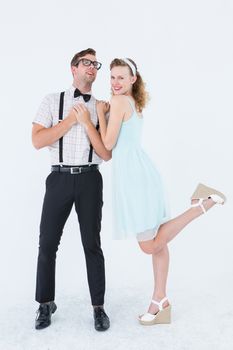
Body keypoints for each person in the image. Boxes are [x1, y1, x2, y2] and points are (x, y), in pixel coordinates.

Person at [73, 57, 226, 326]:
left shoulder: (120, 102)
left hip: (135, 179)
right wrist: (104, 113)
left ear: (133, 79)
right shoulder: (129, 102)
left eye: (121, 77)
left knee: (150, 245)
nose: (116, 82)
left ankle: (201, 204)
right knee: (159, 245)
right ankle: (160, 302)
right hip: (141, 173)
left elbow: (106, 147)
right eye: (112, 77)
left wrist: (93, 117)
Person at [32, 48, 111, 331]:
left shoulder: (102, 107)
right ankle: (45, 303)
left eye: (95, 64)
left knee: (92, 244)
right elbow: (38, 141)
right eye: (86, 63)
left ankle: (98, 307)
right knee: (48, 243)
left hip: (91, 178)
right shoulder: (52, 101)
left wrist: (90, 120)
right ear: (73, 68)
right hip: (59, 179)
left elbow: (105, 153)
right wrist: (69, 121)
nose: (92, 67)